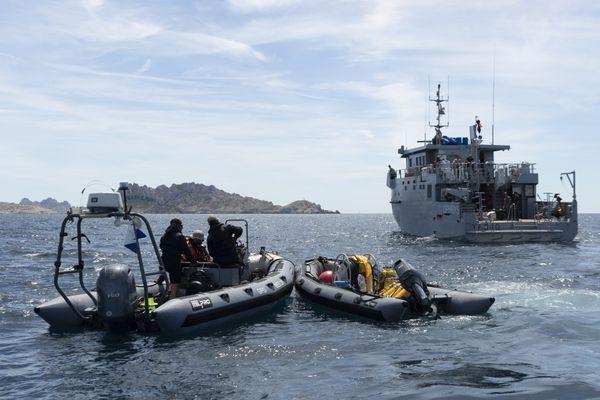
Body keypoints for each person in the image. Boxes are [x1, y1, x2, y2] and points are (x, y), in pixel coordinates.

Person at [159, 218, 193, 299]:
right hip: (174, 262)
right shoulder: (180, 236)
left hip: (163, 261)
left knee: (165, 271)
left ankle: (160, 281)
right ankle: (172, 299)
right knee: (175, 282)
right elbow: (186, 251)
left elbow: (164, 248)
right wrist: (193, 261)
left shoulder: (164, 236)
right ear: (179, 226)